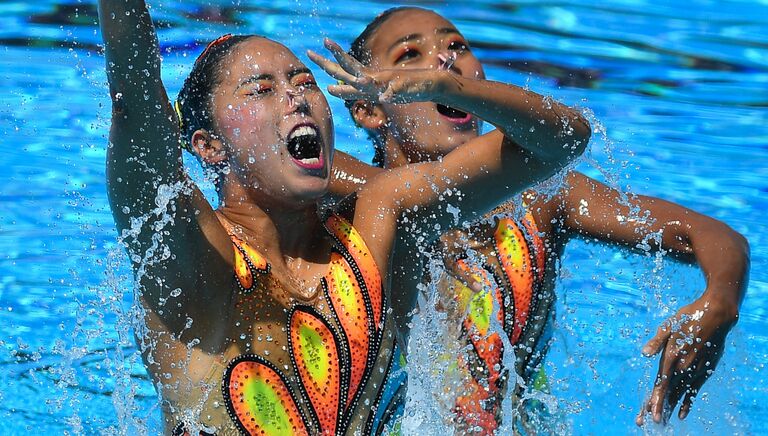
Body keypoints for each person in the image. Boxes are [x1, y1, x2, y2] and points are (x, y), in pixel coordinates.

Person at [98, 1, 588, 434]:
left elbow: (562, 141)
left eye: (304, 82)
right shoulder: (191, 258)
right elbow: (136, 97)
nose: (295, 98)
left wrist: (448, 86)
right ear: (207, 146)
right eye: (261, 89)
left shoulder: (379, 221)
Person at [324, 6, 750, 433]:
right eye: (408, 55)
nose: (442, 59)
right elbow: (270, 173)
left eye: (456, 47)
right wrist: (405, 205)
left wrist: (720, 302)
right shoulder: (355, 211)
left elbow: (710, 235)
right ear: (367, 109)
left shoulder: (540, 201)